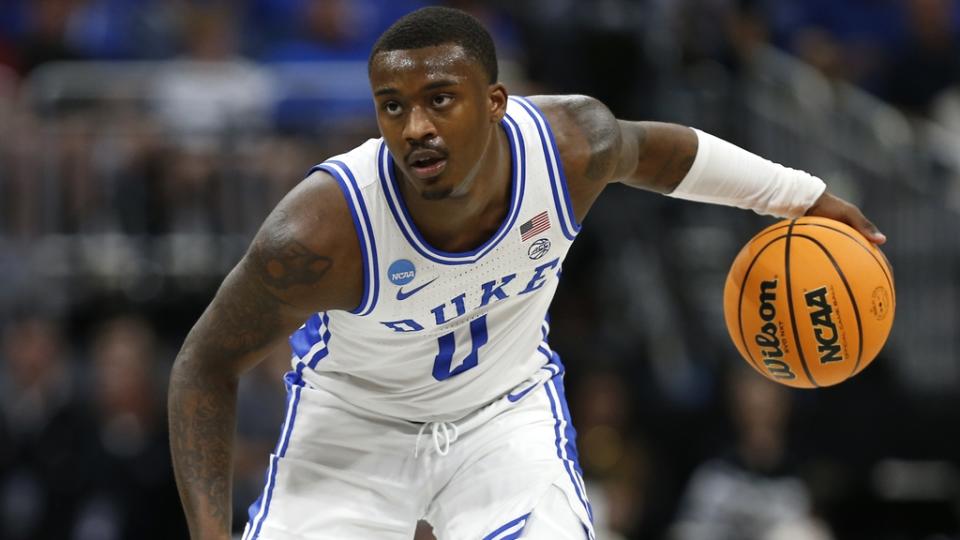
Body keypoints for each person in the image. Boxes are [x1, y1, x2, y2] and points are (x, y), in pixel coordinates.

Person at [167, 7, 886, 540]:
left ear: (495, 103)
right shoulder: (323, 231)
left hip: (502, 417)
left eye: (439, 99)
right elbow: (204, 362)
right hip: (354, 429)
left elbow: (665, 156)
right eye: (393, 107)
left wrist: (801, 195)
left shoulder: (571, 147)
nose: (414, 125)